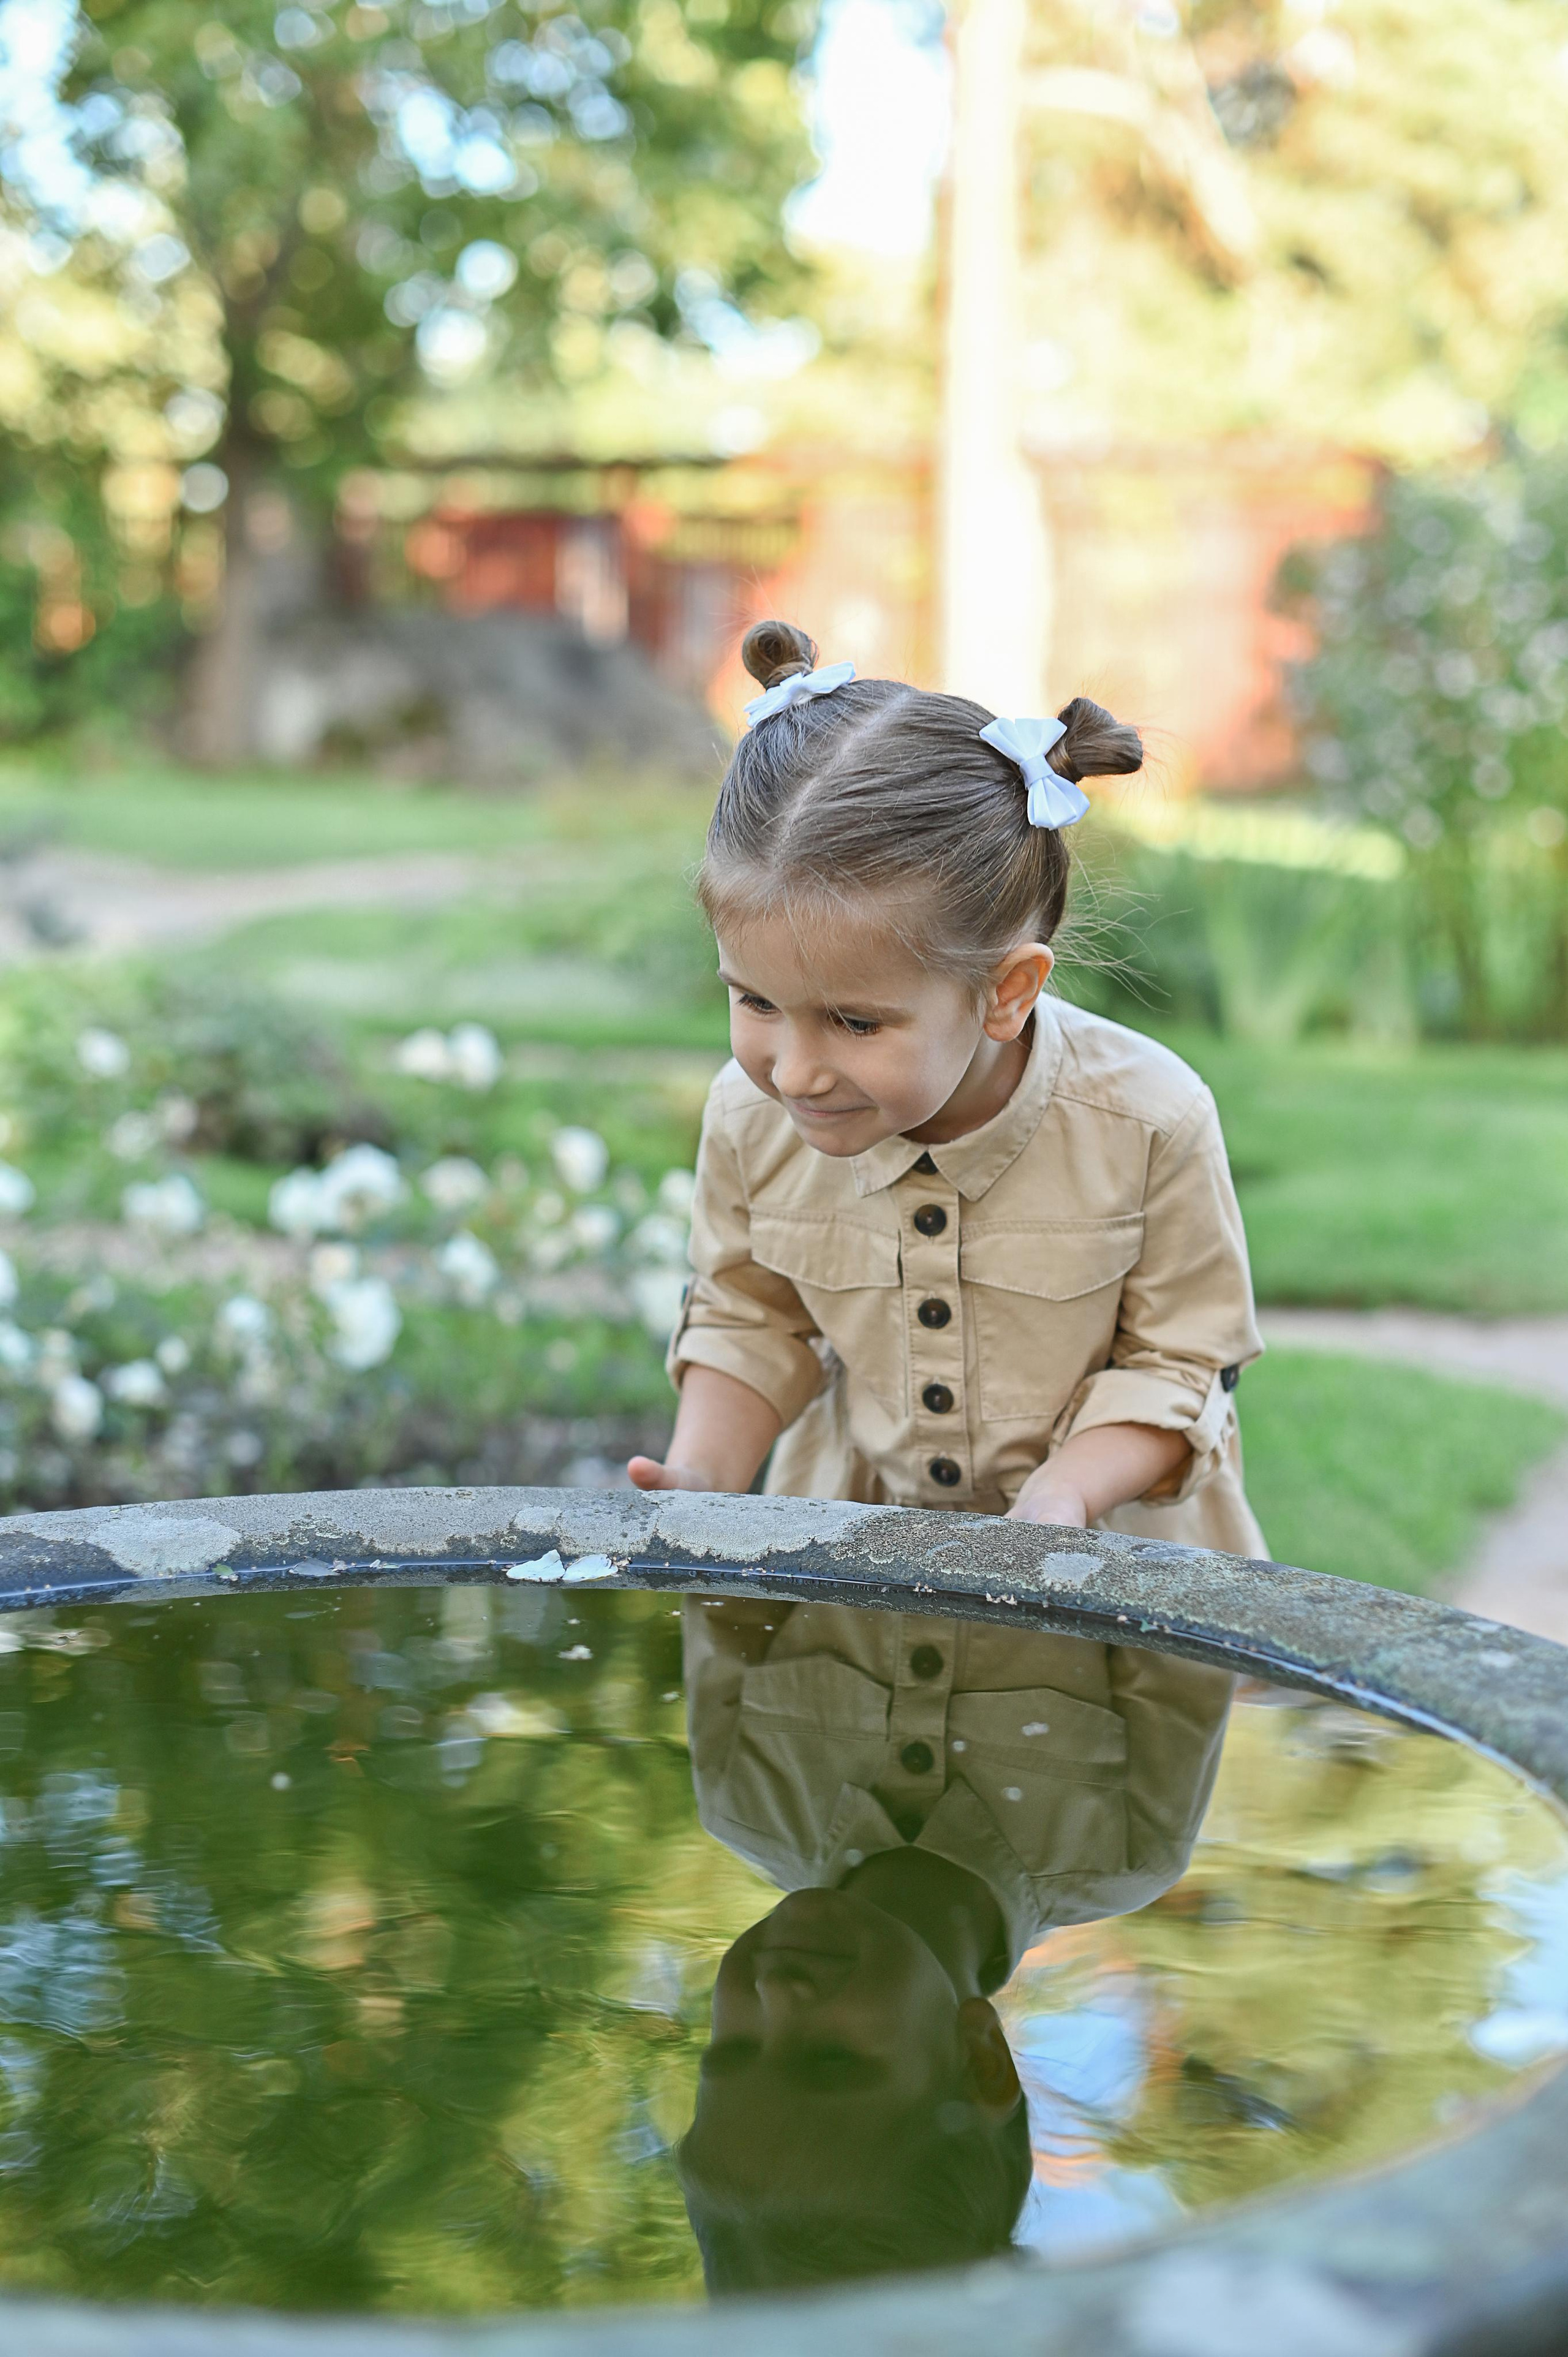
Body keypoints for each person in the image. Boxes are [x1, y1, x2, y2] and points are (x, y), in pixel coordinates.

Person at [627, 617, 1267, 1555]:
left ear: (1007, 991)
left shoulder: (1149, 1120)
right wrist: (700, 1476)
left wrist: (1064, 1495)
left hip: (1107, 1574)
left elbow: (1182, 1362)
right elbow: (750, 1316)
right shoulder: (748, 1114)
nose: (794, 1071)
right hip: (849, 1561)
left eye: (855, 1022)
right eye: (756, 1000)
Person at [676, 1593, 1232, 2291]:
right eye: (830, 2058)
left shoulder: (742, 1795)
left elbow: (726, 1575)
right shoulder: (1125, 1839)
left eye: (732, 2050)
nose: (775, 1994)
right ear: (979, 2059)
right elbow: (1193, 1581)